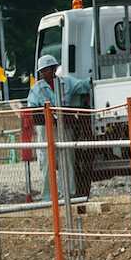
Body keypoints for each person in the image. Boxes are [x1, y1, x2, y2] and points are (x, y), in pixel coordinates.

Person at [26, 54, 90, 199]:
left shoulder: (66, 83)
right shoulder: (36, 90)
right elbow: (31, 109)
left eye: (46, 70)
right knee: (48, 162)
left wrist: (93, 79)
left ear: (54, 69)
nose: (44, 73)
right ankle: (48, 197)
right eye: (42, 71)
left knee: (66, 160)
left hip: (63, 127)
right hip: (46, 130)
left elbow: (83, 85)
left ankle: (67, 193)